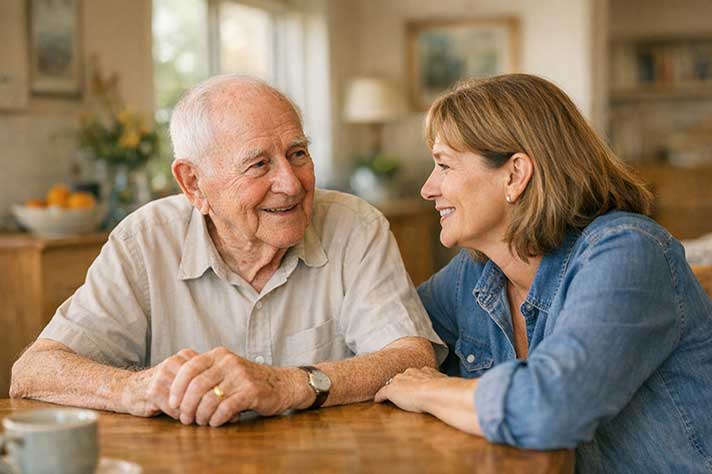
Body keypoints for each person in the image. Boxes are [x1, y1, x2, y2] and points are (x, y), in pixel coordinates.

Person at [10, 75, 444, 427]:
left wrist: (291, 385)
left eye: (298, 153)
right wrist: (138, 389)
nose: (291, 183)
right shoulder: (144, 241)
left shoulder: (356, 226)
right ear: (193, 184)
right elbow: (34, 372)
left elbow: (410, 357)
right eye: (259, 165)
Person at [375, 74, 712, 473]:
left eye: (444, 165)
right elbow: (389, 340)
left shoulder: (627, 251)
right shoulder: (476, 271)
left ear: (515, 175)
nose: (428, 189)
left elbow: (550, 406)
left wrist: (433, 389)